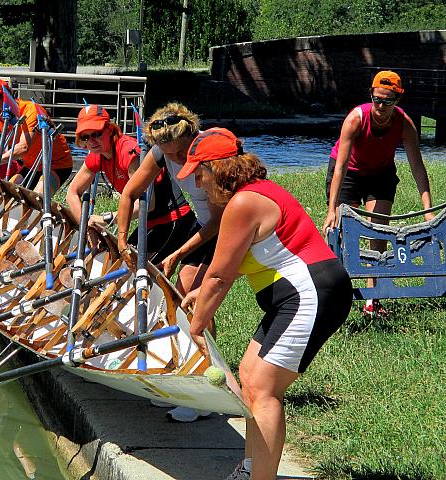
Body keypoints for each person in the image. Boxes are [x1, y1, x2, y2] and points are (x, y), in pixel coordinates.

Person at [179, 129, 352, 480]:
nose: (196, 180)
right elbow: (266, 256)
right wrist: (203, 296)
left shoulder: (244, 203)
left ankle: (260, 477)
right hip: (307, 290)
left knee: (262, 388)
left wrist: (195, 328)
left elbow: (217, 278)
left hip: (309, 294)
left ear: (218, 168)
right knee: (250, 378)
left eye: (199, 171)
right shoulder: (253, 195)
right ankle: (252, 469)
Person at [115, 103, 223, 423]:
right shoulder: (162, 151)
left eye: (178, 153)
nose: (175, 161)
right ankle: (187, 378)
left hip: (224, 229)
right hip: (203, 228)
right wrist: (122, 238)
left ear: (191, 134)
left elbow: (218, 221)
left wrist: (177, 253)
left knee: (194, 303)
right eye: (167, 153)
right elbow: (129, 193)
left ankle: (207, 392)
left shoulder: (209, 154)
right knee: (180, 301)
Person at [323, 70, 433, 317]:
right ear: (371, 96)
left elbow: (418, 168)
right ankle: (336, 296)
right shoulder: (356, 119)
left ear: (398, 100)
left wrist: (428, 211)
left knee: (378, 227)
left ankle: (373, 300)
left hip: (380, 173)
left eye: (388, 101)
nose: (381, 106)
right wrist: (331, 211)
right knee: (344, 230)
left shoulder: (404, 124)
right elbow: (339, 168)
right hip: (349, 171)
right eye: (377, 99)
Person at [65, 104, 196, 263]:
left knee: (132, 270)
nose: (91, 141)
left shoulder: (128, 152)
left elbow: (148, 204)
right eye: (85, 137)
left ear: (110, 129)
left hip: (173, 220)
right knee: (120, 265)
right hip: (149, 222)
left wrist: (104, 218)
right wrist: (87, 226)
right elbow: (72, 192)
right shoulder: (97, 155)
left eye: (96, 134)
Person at [0, 77, 73, 193]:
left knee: (38, 198)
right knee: (7, 195)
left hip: (56, 164)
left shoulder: (29, 110)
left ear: (6, 97)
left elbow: (23, 148)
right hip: (31, 165)